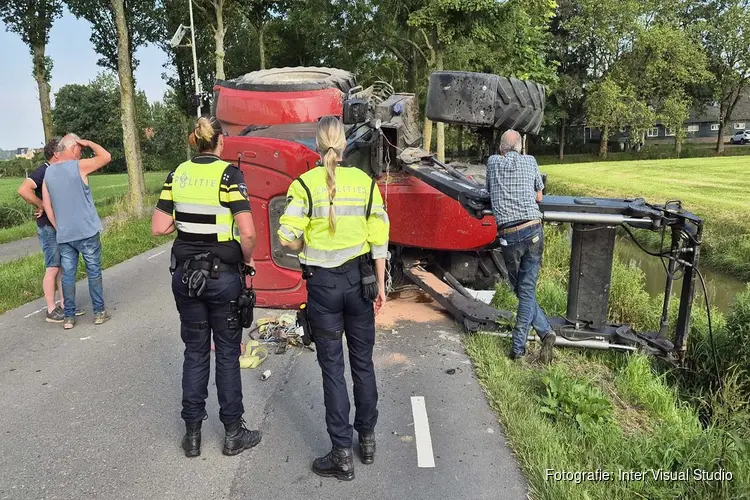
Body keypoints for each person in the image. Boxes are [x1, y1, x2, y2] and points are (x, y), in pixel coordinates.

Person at [277, 115, 390, 481]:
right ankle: (368, 439)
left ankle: (342, 453)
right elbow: (379, 236)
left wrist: (303, 242)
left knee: (333, 371)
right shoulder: (364, 183)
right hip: (360, 283)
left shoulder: (304, 186)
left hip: (323, 289)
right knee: (363, 363)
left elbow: (286, 236)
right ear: (344, 145)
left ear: (317, 144)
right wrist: (381, 283)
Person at [151, 116, 261, 458]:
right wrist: (249, 259)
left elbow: (159, 226)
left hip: (185, 277)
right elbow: (247, 231)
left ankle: (193, 435)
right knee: (227, 354)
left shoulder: (177, 174)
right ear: (220, 143)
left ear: (194, 142)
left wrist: (184, 226)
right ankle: (232, 434)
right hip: (222, 276)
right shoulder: (229, 175)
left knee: (194, 352)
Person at [486, 129, 556, 363]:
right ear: (520, 147)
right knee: (525, 290)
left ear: (501, 148)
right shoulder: (530, 161)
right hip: (533, 230)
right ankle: (545, 331)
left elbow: (488, 191)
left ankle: (518, 349)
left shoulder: (493, 162)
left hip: (509, 235)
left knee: (522, 290)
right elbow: (539, 197)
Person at [42, 134, 112, 330]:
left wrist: (58, 227)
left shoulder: (49, 173)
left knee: (68, 275)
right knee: (93, 272)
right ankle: (99, 312)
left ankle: (69, 317)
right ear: (73, 148)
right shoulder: (79, 166)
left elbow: (47, 205)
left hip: (65, 234)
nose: (81, 151)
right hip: (87, 231)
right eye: (80, 148)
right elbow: (106, 156)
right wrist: (89, 142)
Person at [17, 137, 84, 322]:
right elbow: (23, 189)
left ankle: (65, 304)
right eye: (63, 149)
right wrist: (41, 205)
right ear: (56, 153)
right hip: (48, 227)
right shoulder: (43, 171)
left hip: (60, 225)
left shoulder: (57, 171)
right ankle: (51, 309)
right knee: (53, 267)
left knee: (63, 266)